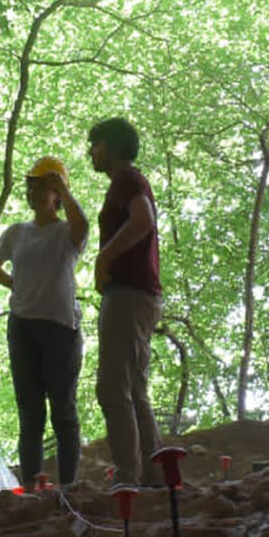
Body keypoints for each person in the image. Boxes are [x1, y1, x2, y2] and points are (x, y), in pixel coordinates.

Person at [0, 156, 89, 489]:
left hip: (60, 329)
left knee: (63, 412)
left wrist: (63, 189)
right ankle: (32, 487)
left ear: (57, 194)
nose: (34, 192)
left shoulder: (65, 232)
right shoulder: (17, 232)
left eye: (42, 186)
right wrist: (17, 285)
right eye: (31, 186)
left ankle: (69, 487)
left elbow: (83, 226)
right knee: (30, 415)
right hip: (23, 328)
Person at [86, 117, 163, 488]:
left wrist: (104, 257)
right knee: (133, 388)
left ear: (113, 146)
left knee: (113, 387)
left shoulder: (127, 180)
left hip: (130, 293)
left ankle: (129, 477)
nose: (91, 151)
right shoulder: (127, 182)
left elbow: (143, 220)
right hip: (137, 294)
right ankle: (153, 474)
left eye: (96, 144)